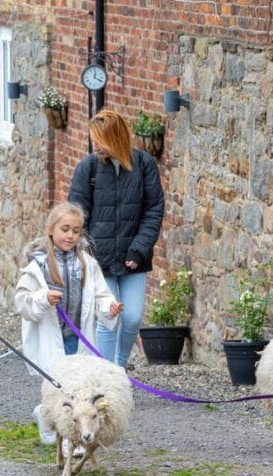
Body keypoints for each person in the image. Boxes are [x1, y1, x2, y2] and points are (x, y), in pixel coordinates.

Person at [14, 202, 122, 445]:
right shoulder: (36, 266)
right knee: (58, 388)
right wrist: (44, 299)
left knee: (77, 390)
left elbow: (101, 296)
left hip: (77, 338)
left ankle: (71, 440)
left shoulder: (87, 264)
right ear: (51, 229)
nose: (71, 235)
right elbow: (22, 302)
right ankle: (45, 414)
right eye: (65, 229)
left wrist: (110, 308)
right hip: (51, 338)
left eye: (76, 230)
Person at [68, 109, 165, 369]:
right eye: (93, 139)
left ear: (116, 138)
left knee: (132, 318)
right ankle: (107, 372)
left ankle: (119, 366)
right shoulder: (87, 168)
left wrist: (139, 250)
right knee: (108, 318)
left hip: (135, 257)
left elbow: (153, 211)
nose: (95, 146)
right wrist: (85, 255)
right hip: (99, 259)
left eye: (100, 140)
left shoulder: (144, 166)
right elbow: (77, 216)